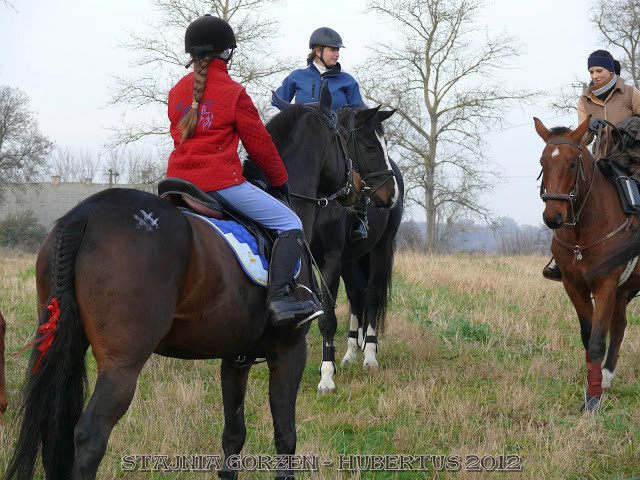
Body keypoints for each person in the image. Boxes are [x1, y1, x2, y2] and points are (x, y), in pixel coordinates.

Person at [167, 14, 318, 327]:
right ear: (226, 53)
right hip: (219, 183)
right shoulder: (234, 93)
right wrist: (280, 181)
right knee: (290, 222)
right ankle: (280, 300)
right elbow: (260, 146)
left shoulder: (176, 93)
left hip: (176, 184)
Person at [543, 49, 640, 281]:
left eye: (599, 70)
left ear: (610, 70)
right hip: (602, 162)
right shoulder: (585, 99)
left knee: (636, 199)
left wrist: (632, 130)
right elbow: (582, 141)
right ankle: (562, 259)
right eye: (591, 71)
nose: (594, 75)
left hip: (633, 161)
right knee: (573, 198)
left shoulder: (630, 93)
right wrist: (588, 128)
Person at [269, 27, 370, 240]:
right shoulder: (297, 77)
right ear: (317, 50)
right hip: (305, 143)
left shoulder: (347, 81)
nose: (337, 54)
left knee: (358, 159)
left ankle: (361, 216)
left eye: (338, 50)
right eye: (333, 49)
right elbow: (278, 100)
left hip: (336, 140)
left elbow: (359, 112)